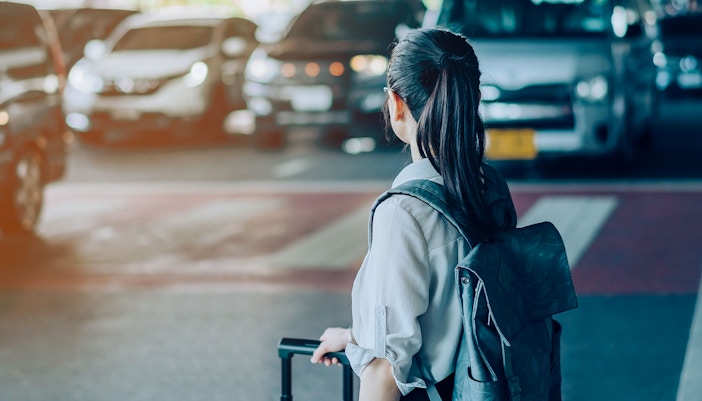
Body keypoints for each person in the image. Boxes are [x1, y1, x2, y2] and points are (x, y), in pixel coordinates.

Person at [310, 27, 517, 401]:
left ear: (396, 103)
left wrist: (373, 345)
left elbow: (386, 371)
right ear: (474, 99)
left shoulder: (405, 211)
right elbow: (453, 313)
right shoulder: (490, 186)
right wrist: (356, 336)